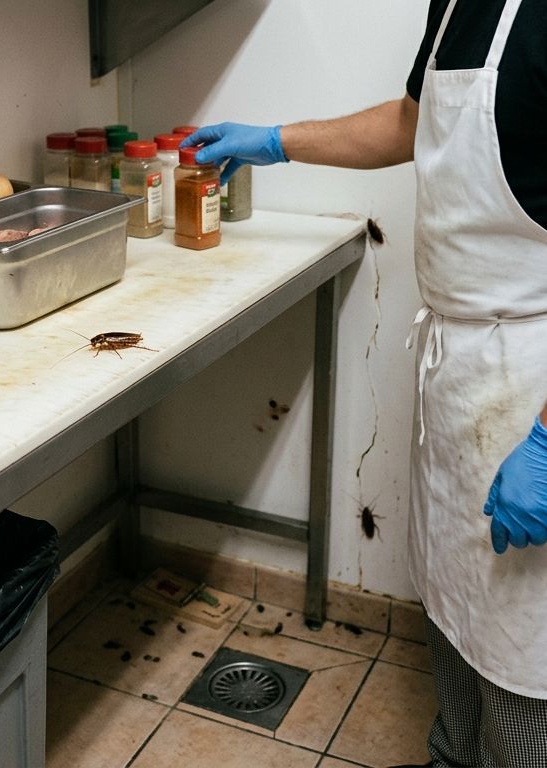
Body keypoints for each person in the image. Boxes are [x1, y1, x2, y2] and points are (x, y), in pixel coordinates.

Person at [182, 1, 547, 766]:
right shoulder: (456, 5)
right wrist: (278, 141)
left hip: (536, 380)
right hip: (461, 368)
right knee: (454, 605)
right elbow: (414, 122)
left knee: (527, 653)